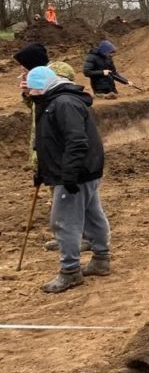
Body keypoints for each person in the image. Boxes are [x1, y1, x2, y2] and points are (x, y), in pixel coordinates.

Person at [24, 66, 111, 293]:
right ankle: (101, 260)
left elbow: (76, 141)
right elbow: (50, 141)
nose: (31, 96)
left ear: (45, 86)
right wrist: (43, 172)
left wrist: (69, 175)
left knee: (64, 222)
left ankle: (70, 271)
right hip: (84, 170)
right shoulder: (55, 100)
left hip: (75, 173)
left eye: (33, 91)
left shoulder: (63, 104)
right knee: (93, 215)